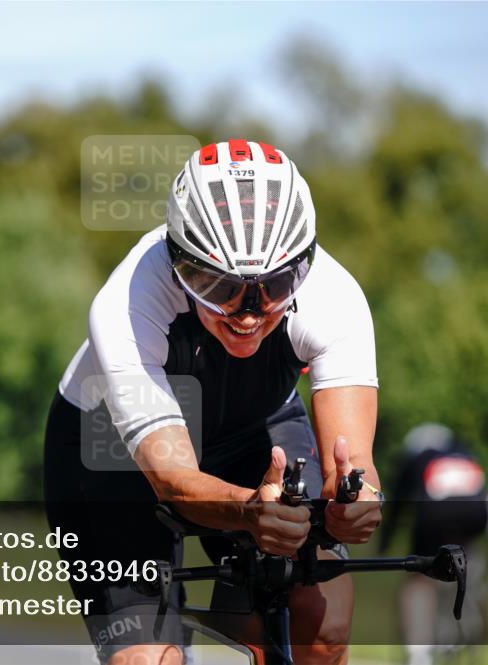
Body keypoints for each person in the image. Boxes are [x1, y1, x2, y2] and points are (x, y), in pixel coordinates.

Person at [44, 139, 384, 665]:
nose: (248, 313)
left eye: (274, 286)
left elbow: (355, 466)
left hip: (253, 429)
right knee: (149, 659)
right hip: (113, 451)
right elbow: (173, 478)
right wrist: (249, 513)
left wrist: (354, 505)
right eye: (219, 287)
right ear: (180, 263)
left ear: (302, 267)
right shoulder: (128, 302)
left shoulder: (333, 296)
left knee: (323, 625)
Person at [379, 423, 488, 665]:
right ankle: (461, 636)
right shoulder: (465, 453)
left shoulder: (417, 457)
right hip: (474, 518)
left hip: (435, 516)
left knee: (419, 580)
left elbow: (398, 504)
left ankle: (418, 652)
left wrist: (384, 543)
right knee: (465, 569)